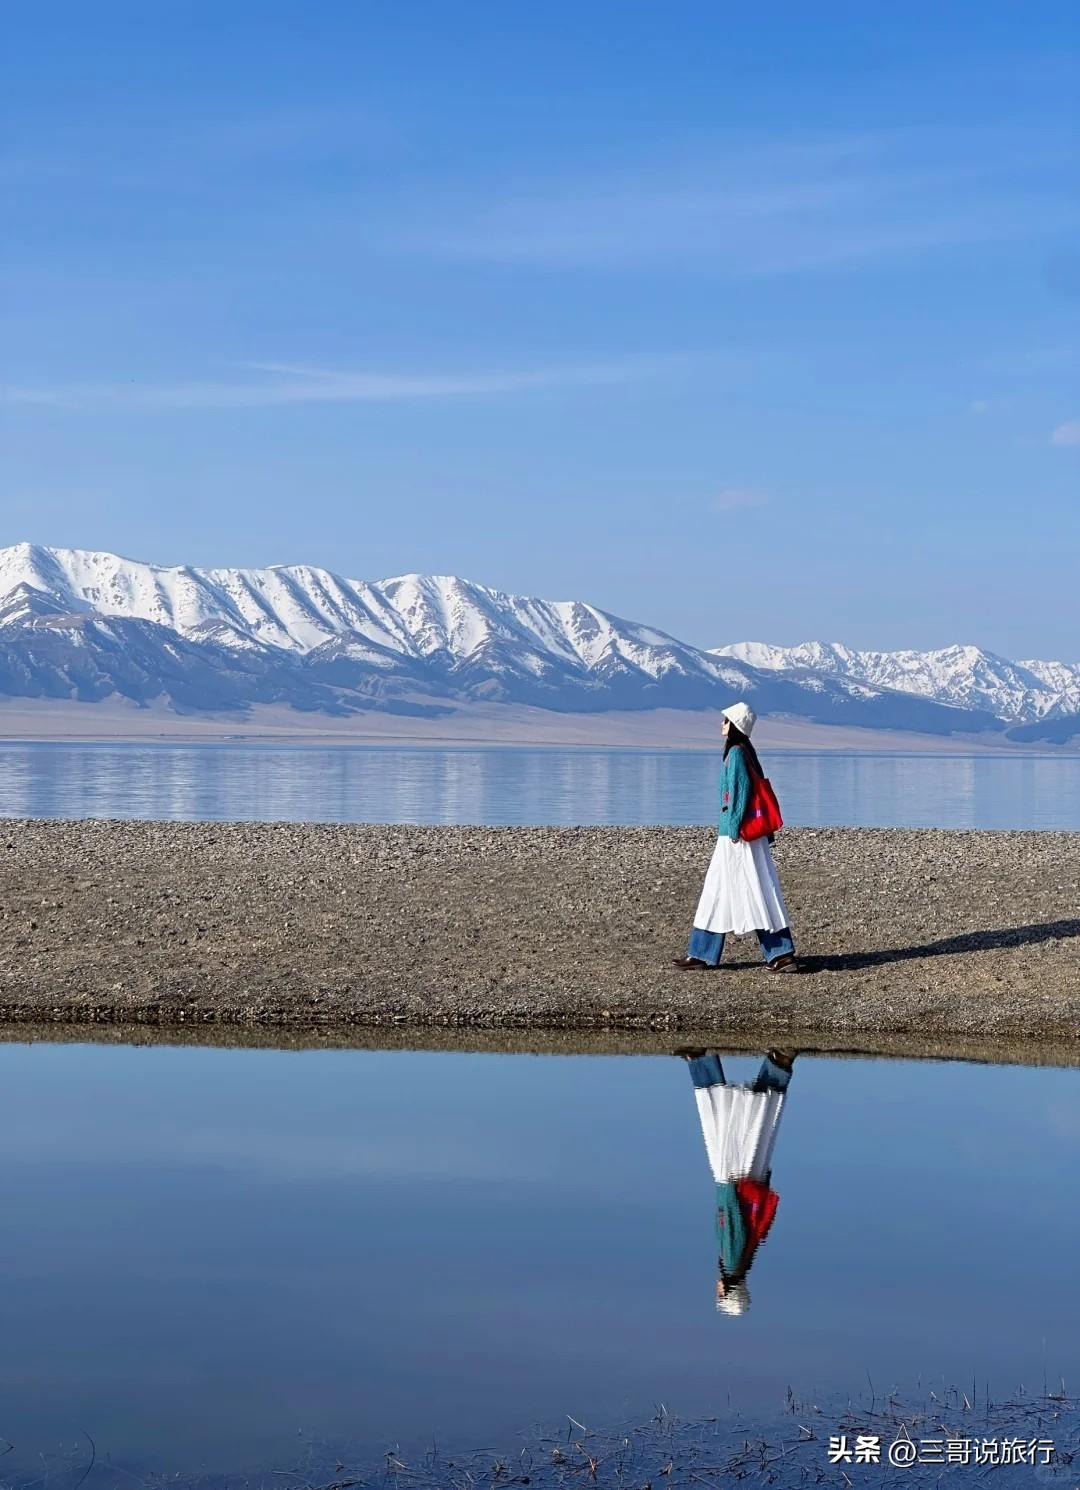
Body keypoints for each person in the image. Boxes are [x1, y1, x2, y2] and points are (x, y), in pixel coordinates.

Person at [673, 700, 798, 972]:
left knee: (739, 888)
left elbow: (739, 796)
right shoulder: (745, 752)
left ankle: (777, 953)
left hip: (737, 836)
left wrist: (732, 831)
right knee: (749, 888)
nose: (722, 724)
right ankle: (706, 952)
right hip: (743, 835)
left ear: (735, 727)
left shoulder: (737, 755)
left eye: (726, 720)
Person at [678, 1047, 795, 1314]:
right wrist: (727, 1189)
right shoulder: (731, 1260)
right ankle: (700, 1062)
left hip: (744, 1179)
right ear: (728, 1290)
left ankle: (779, 1064)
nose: (715, 1290)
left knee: (756, 1124)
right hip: (731, 1176)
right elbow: (731, 1220)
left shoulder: (743, 1261)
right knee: (718, 1120)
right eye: (720, 1295)